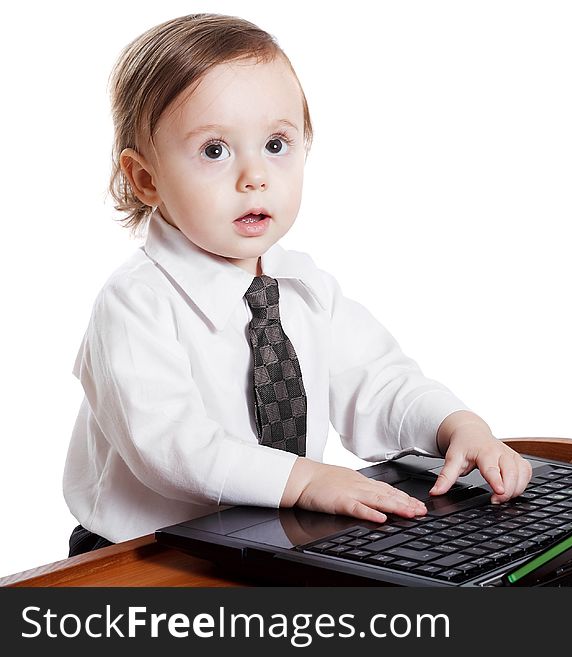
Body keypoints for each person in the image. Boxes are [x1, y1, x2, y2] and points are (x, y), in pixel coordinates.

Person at [63, 13, 532, 558]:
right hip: (145, 552)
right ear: (146, 178)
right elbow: (173, 446)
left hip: (268, 536)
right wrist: (306, 481)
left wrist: (458, 427)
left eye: (277, 144)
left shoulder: (305, 287)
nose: (253, 176)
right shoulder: (136, 302)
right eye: (215, 150)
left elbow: (378, 382)